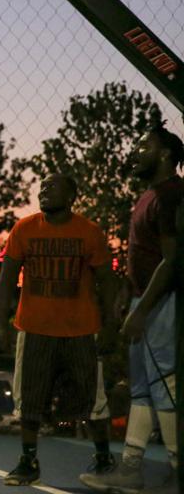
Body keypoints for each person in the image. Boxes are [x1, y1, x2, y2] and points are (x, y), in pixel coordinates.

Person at [81, 124, 184, 493]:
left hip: (162, 302)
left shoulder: (172, 193)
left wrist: (143, 309)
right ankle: (132, 468)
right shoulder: (149, 195)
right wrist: (128, 291)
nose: (136, 150)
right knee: (143, 387)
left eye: (145, 145)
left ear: (166, 155)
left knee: (164, 383)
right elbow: (146, 254)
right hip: (145, 298)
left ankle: (176, 468)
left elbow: (171, 260)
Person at [0, 173, 116, 486]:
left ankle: (104, 457)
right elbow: (7, 278)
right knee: (29, 399)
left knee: (93, 398)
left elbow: (108, 281)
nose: (44, 190)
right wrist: (2, 324)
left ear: (72, 195)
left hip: (80, 330)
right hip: (35, 329)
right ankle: (28, 460)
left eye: (53, 186)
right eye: (43, 186)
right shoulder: (24, 228)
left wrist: (109, 326)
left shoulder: (88, 232)